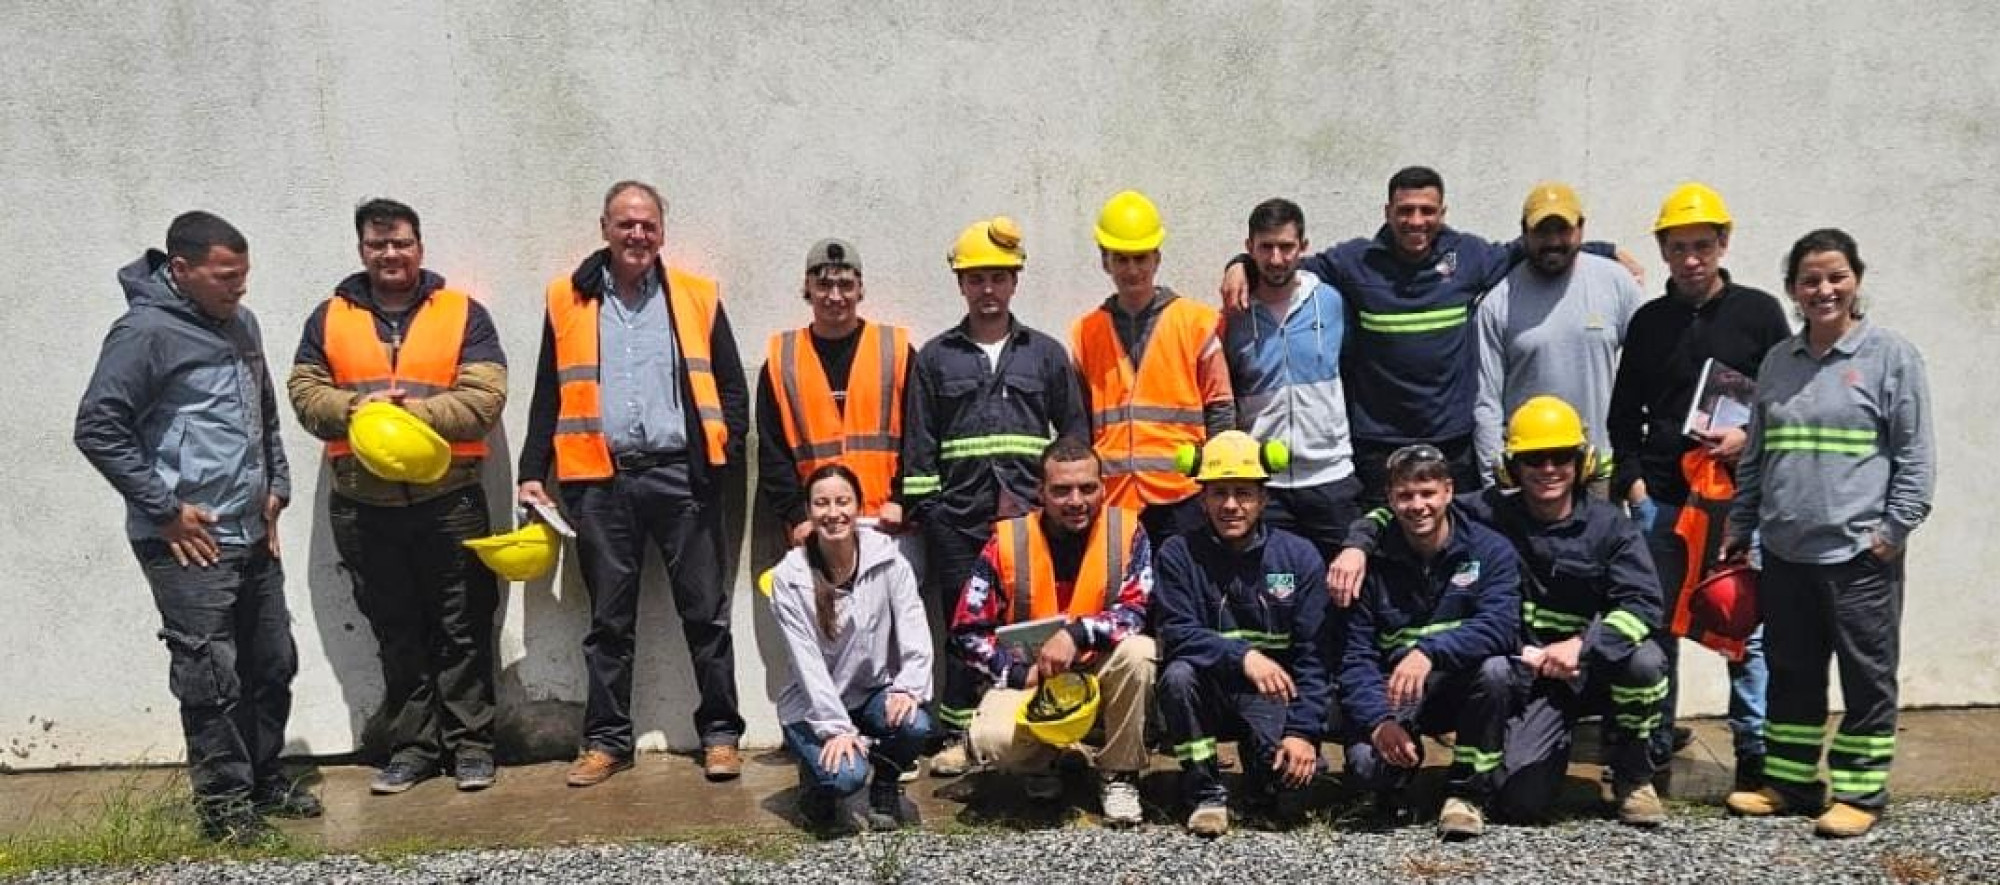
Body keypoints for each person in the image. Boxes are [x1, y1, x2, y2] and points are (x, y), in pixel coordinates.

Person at [74, 211, 312, 843]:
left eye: (244, 274)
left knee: (271, 662)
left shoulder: (243, 324)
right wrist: (164, 510)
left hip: (250, 531)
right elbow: (97, 428)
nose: (240, 287)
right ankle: (225, 808)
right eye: (226, 276)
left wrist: (277, 490)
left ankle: (264, 778)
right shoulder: (144, 333)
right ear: (181, 270)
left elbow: (264, 415)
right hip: (189, 541)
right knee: (211, 676)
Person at [1333, 397, 1669, 826]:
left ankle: (1633, 778)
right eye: (1534, 459)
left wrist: (1584, 646)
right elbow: (1415, 504)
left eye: (1561, 456)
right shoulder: (1489, 510)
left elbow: (1643, 605)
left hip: (1589, 669)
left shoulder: (1610, 526)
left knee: (1645, 663)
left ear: (1580, 461)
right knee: (1521, 803)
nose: (1548, 468)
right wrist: (1357, 544)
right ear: (1514, 466)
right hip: (1528, 676)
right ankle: (1519, 763)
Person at [1219, 166, 1636, 506]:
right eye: (1405, 210)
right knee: (1383, 552)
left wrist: (1601, 248)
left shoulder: (1469, 256)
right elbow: (1285, 264)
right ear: (1387, 211)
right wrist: (1241, 264)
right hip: (1377, 444)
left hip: (1453, 441)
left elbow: (1533, 245)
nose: (1416, 221)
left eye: (1427, 210)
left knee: (1459, 548)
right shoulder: (1356, 261)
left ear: (1442, 212)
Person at [517, 180, 751, 785]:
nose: (638, 234)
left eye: (648, 224)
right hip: (600, 482)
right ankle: (607, 742)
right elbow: (548, 390)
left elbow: (730, 386)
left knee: (705, 616)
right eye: (626, 224)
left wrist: (718, 463)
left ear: (662, 233)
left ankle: (721, 735)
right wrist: (530, 472)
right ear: (605, 228)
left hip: (681, 478)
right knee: (608, 624)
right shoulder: (567, 299)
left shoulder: (695, 296)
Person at [287, 198, 507, 795]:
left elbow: (486, 398)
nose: (390, 253)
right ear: (362, 250)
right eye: (378, 244)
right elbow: (305, 392)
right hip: (364, 505)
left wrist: (412, 418)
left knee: (463, 625)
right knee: (395, 630)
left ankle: (472, 747)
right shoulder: (329, 318)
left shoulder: (463, 314)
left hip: (451, 499)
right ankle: (413, 749)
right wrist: (357, 408)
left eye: (401, 242)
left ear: (419, 247)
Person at [1721, 229, 1934, 838]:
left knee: (1867, 677)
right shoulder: (1778, 362)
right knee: (1791, 673)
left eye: (1836, 277)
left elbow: (1916, 457)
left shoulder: (1891, 357)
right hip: (1785, 553)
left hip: (1859, 557)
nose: (1824, 290)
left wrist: (1892, 531)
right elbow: (1757, 455)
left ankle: (1861, 793)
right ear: (1793, 289)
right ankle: (1790, 783)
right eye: (1810, 280)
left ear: (1856, 280)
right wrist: (1742, 522)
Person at [1607, 182, 1791, 785]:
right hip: (1663, 502)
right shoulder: (1649, 323)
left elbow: (1787, 401)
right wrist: (1634, 487)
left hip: (1738, 503)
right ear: (1663, 250)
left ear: (1723, 244)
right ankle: (1656, 743)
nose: (1691, 259)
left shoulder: (1760, 314)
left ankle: (1754, 750)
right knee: (1661, 627)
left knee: (1745, 627)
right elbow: (1622, 414)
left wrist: (1748, 438)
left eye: (1702, 246)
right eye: (1679, 247)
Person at [900, 217, 1088, 776]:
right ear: (961, 283)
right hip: (958, 521)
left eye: (998, 277)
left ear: (1015, 281)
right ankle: (960, 736)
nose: (988, 288)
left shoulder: (1045, 354)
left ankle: (1038, 736)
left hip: (1029, 520)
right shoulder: (936, 358)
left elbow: (1074, 435)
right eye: (976, 278)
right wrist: (932, 513)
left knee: (1032, 627)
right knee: (963, 629)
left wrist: (1059, 507)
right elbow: (918, 444)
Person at [952, 437, 1155, 826]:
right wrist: (1016, 673)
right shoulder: (1006, 541)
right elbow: (967, 631)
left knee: (1140, 652)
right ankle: (1045, 763)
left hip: (1098, 670)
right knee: (992, 742)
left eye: (1087, 488)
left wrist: (1077, 634)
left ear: (1103, 488)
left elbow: (1135, 610)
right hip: (1034, 680)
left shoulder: (1128, 530)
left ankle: (1119, 774)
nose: (1076, 500)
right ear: (1040, 492)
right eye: (1061, 490)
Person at [1338, 445, 1521, 840]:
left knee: (1497, 671)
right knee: (1369, 768)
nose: (1417, 505)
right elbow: (1355, 657)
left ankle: (1466, 793)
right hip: (1396, 691)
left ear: (1449, 491)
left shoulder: (1489, 549)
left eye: (1428, 493)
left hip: (1459, 685)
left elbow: (1501, 626)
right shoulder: (1369, 564)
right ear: (1389, 499)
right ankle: (1399, 775)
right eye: (1405, 495)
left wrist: (1429, 652)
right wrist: (1379, 722)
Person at [1154, 431, 1331, 837]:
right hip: (1208, 687)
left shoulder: (1299, 556)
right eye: (1219, 493)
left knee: (1295, 790)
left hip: (1271, 695)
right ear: (1202, 500)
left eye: (1243, 493)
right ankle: (1205, 794)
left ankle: (1261, 773)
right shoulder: (1178, 553)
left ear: (1263, 499)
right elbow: (1177, 632)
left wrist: (1302, 732)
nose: (1231, 505)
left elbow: (1314, 657)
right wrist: (1244, 656)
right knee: (1178, 676)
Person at [770, 465, 933, 832]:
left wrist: (909, 687)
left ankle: (886, 787)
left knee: (915, 724)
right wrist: (835, 728)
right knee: (845, 776)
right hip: (812, 706)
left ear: (858, 506)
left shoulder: (889, 559)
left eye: (842, 502)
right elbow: (807, 664)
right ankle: (816, 789)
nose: (833, 513)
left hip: (871, 692)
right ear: (808, 511)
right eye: (821, 504)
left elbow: (914, 628)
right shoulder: (789, 577)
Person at [1073, 190, 1235, 542]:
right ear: (1105, 262)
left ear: (1157, 259)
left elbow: (1220, 408)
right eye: (1121, 259)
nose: (1132, 269)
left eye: (1141, 258)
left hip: (1185, 495)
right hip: (1115, 497)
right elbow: (1080, 421)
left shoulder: (1195, 322)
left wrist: (1217, 484)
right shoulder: (1086, 332)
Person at [1473, 183, 1644, 494]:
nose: (1553, 241)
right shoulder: (1498, 303)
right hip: (1533, 472)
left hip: (1599, 472)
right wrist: (1496, 479)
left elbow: (1649, 371)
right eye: (1542, 231)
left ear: (1581, 229)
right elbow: (1486, 403)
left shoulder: (1616, 283)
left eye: (1562, 229)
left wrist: (1636, 466)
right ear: (1524, 233)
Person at [1219, 198, 1361, 558]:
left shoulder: (1331, 302)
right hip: (1265, 480)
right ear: (1249, 247)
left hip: (1330, 475)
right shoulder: (1235, 315)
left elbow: (1353, 369)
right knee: (1271, 582)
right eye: (1266, 247)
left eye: (1286, 247)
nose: (1277, 258)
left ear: (1303, 247)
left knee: (1343, 580)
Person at [756, 238, 915, 551]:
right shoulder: (782, 360)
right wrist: (796, 516)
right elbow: (773, 453)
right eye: (824, 285)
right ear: (808, 288)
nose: (835, 296)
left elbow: (920, 437)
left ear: (860, 288)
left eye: (845, 285)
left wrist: (902, 500)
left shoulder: (895, 351)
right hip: (817, 527)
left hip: (887, 523)